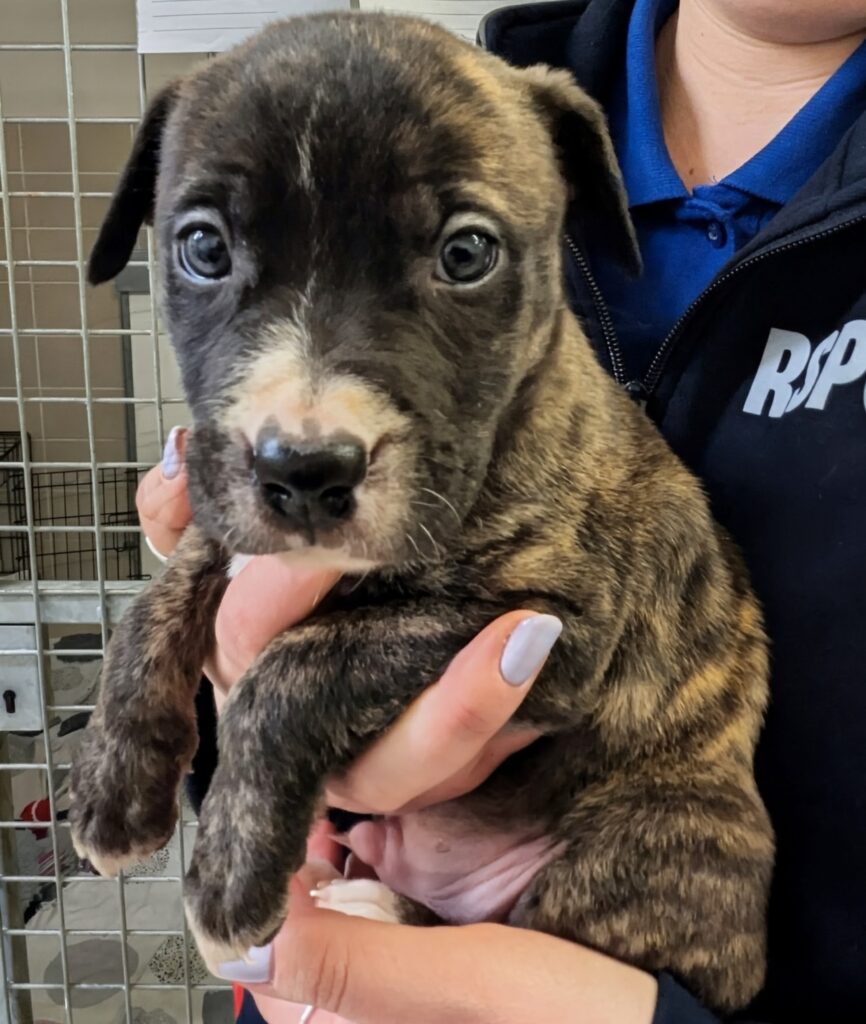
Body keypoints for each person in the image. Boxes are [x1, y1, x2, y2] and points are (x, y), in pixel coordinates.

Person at [136, 0, 866, 1020]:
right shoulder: (454, 107)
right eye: (207, 249)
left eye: (467, 256)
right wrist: (232, 702)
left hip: (630, 891)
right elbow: (262, 706)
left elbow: (556, 626)